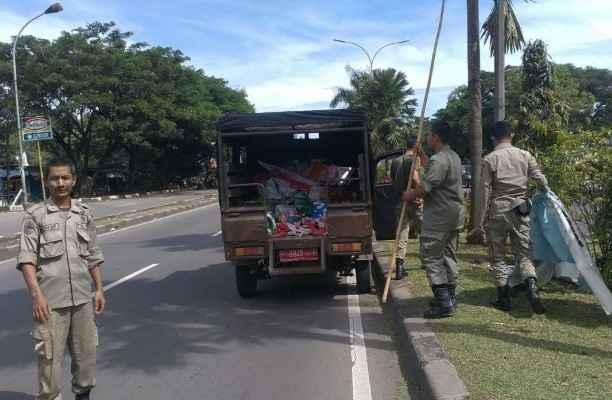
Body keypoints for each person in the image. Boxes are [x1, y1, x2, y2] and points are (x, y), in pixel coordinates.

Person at [17, 158, 105, 400]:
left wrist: (98, 289)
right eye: (55, 178)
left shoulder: (84, 214)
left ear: (73, 181)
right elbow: (27, 260)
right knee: (49, 361)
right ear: (46, 181)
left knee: (86, 356)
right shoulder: (36, 216)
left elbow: (93, 255)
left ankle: (83, 395)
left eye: (65, 178)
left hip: (83, 299)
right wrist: (37, 296)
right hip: (50, 303)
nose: (60, 183)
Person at [476, 121, 549, 314]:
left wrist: (479, 220)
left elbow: (484, 192)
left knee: (497, 256)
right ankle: (532, 287)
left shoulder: (490, 159)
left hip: (498, 211)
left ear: (493, 137)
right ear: (512, 135)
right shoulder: (525, 155)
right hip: (521, 209)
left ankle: (503, 299)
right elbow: (541, 179)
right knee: (524, 254)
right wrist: (546, 193)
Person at [403, 120, 465, 318]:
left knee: (431, 256)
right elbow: (434, 171)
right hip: (454, 215)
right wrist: (421, 154)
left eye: (430, 135)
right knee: (449, 255)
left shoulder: (440, 160)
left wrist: (410, 195)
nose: (428, 137)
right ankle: (450, 297)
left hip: (439, 216)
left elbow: (425, 187)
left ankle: (443, 301)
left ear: (436, 137)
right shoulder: (452, 156)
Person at [390, 135, 425, 280]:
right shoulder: (414, 159)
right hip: (415, 201)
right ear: (416, 147)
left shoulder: (395, 161)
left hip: (400, 201)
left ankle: (399, 266)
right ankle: (426, 261)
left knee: (402, 235)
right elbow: (416, 180)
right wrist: (421, 195)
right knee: (425, 232)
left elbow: (393, 179)